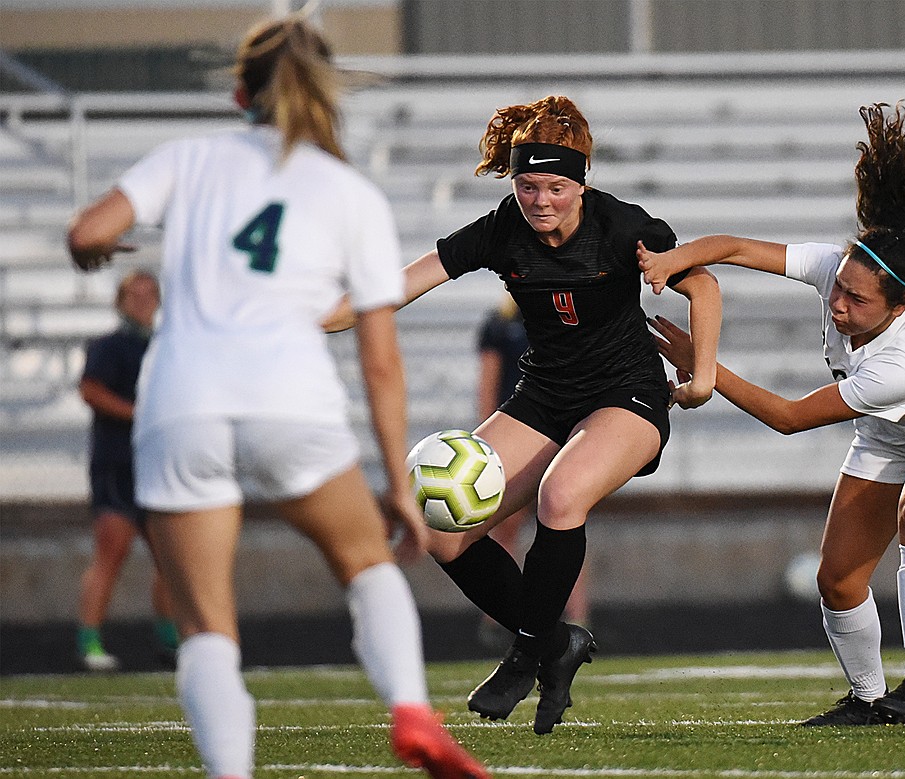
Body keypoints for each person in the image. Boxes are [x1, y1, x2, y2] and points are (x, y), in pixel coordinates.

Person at [66, 16, 487, 779]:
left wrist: (92, 247)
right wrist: (397, 481)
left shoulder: (188, 159)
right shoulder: (349, 193)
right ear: (326, 98)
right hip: (289, 397)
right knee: (367, 565)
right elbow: (380, 362)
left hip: (182, 399)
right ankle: (413, 711)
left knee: (205, 626)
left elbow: (89, 228)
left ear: (239, 93)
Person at [638, 102, 905, 728]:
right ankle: (868, 698)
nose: (837, 302)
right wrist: (671, 262)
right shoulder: (839, 269)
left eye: (856, 298)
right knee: (837, 580)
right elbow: (733, 247)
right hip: (889, 430)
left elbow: (788, 417)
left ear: (899, 307)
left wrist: (701, 360)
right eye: (838, 285)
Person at [401, 95, 722, 734]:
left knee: (561, 494)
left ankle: (526, 652)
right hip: (546, 392)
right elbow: (399, 286)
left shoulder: (622, 226)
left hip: (627, 392)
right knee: (440, 529)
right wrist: (307, 316)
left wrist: (705, 375)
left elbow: (703, 283)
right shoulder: (501, 229)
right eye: (527, 186)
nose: (541, 200)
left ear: (582, 183)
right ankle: (554, 645)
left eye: (556, 186)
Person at [474, 297, 590, 652]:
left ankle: (578, 618)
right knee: (505, 527)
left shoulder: (565, 315)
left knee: (566, 522)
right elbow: (489, 387)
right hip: (520, 434)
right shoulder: (501, 323)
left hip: (560, 432)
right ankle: (497, 621)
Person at [76, 269, 178, 672]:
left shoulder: (165, 345)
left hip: (157, 463)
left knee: (170, 556)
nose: (142, 300)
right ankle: (90, 640)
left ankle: (169, 638)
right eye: (133, 294)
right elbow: (91, 390)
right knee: (111, 552)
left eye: (149, 292)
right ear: (120, 300)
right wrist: (139, 415)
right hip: (118, 463)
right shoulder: (111, 346)